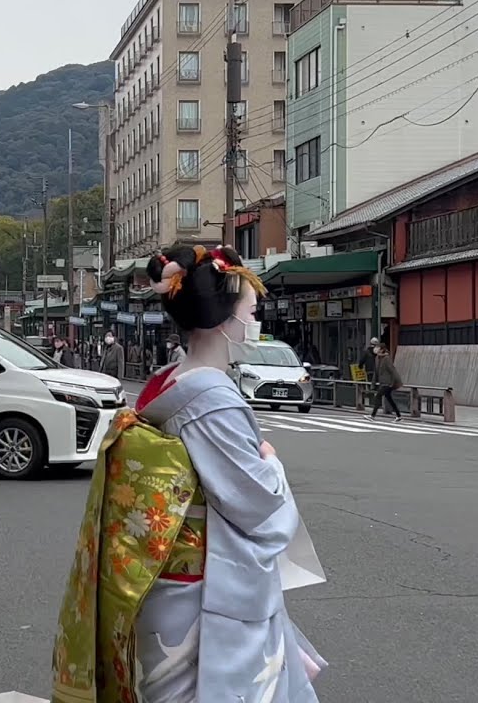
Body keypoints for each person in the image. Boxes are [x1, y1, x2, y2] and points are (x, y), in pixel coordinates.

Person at [53, 245, 325, 703]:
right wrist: (271, 463)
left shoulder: (170, 380)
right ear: (224, 319)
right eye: (251, 311)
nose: (255, 321)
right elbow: (257, 505)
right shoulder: (212, 398)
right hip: (200, 588)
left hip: (164, 576)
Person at [368, 344, 403, 422]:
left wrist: (392, 382)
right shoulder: (377, 358)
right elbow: (376, 372)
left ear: (382, 349)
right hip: (382, 382)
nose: (376, 349)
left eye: (378, 348)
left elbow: (392, 371)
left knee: (378, 396)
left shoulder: (386, 358)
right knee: (389, 398)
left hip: (387, 383)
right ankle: (398, 415)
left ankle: (372, 415)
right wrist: (373, 383)